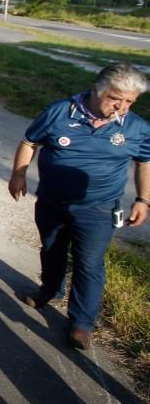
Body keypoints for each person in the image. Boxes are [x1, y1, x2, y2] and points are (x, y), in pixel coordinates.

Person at [9, 63, 150, 350]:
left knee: (89, 262)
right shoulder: (60, 112)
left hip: (99, 208)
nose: (121, 107)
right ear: (97, 90)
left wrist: (143, 199)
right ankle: (51, 289)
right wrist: (19, 174)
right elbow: (29, 142)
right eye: (115, 99)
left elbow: (145, 162)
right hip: (52, 201)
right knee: (52, 248)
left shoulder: (138, 128)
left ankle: (82, 323)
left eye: (129, 102)